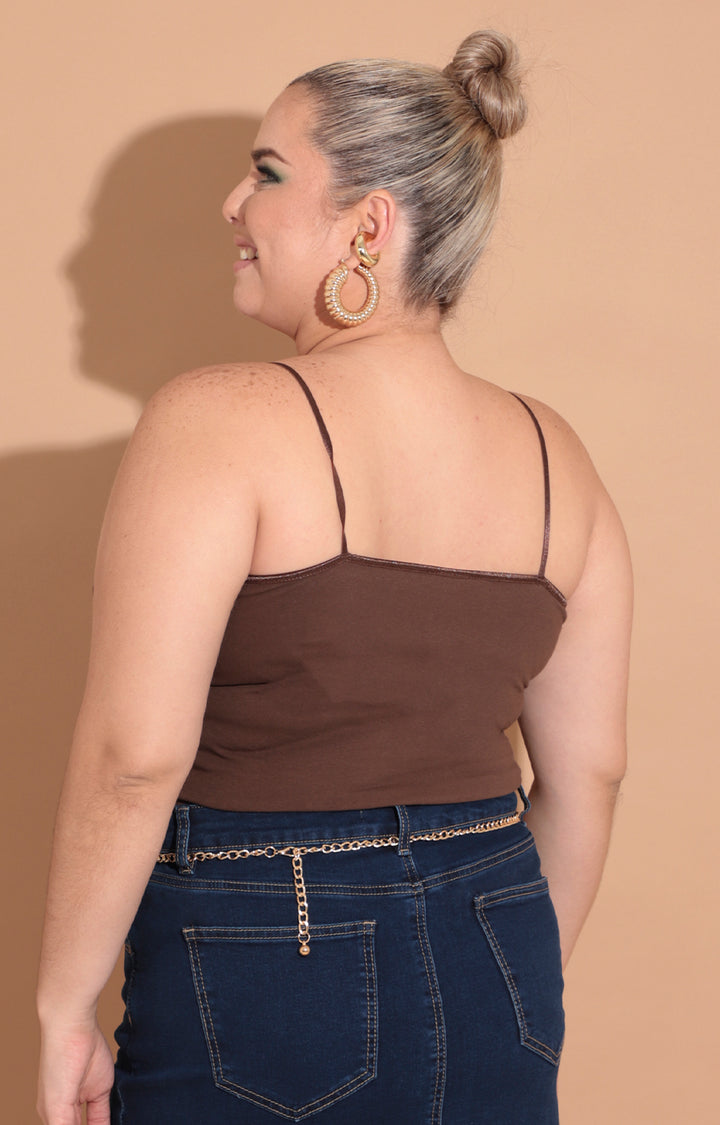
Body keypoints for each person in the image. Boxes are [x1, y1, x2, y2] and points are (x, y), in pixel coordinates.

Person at [37, 29, 632, 1125]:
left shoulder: (217, 419)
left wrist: (63, 1006)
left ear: (369, 225)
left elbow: (134, 758)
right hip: (502, 947)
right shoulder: (561, 456)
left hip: (271, 956)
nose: (233, 204)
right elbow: (588, 776)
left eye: (267, 173)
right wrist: (510, 983)